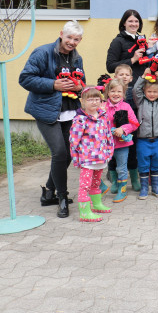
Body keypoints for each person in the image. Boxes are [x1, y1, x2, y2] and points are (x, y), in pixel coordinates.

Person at [19, 20, 84, 218]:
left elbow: (81, 78)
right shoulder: (43, 52)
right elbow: (25, 78)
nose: (72, 42)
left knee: (69, 154)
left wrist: (79, 86)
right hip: (46, 111)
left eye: (76, 39)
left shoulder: (76, 57)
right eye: (69, 38)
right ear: (61, 34)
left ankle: (48, 193)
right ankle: (62, 198)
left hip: (69, 112)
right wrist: (53, 85)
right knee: (59, 153)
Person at [105, 10, 146, 194]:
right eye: (130, 21)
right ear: (123, 23)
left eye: (136, 21)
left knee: (133, 137)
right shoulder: (118, 41)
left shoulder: (142, 40)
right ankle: (114, 177)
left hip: (139, 92)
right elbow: (110, 65)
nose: (133, 23)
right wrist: (133, 59)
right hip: (122, 95)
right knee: (116, 138)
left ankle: (134, 175)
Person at [69, 86, 114, 222]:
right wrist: (77, 157)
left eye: (97, 99)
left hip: (101, 157)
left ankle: (97, 204)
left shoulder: (103, 116)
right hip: (88, 160)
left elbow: (108, 135)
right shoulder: (80, 120)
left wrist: (109, 151)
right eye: (90, 100)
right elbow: (74, 140)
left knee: (96, 183)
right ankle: (84, 211)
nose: (94, 102)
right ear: (82, 101)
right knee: (85, 185)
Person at [132, 68, 158, 199]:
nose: (152, 94)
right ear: (144, 91)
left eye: (155, 91)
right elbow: (135, 90)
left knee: (156, 164)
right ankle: (144, 188)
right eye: (149, 91)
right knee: (143, 165)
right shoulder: (140, 101)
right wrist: (143, 77)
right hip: (143, 140)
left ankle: (155, 187)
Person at [103, 78, 138, 203]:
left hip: (122, 144)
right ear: (107, 92)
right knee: (110, 165)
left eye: (119, 91)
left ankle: (122, 191)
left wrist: (123, 129)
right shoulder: (103, 107)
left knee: (122, 167)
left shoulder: (126, 106)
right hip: (106, 144)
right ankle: (115, 184)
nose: (116, 94)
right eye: (112, 91)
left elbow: (134, 123)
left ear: (123, 93)